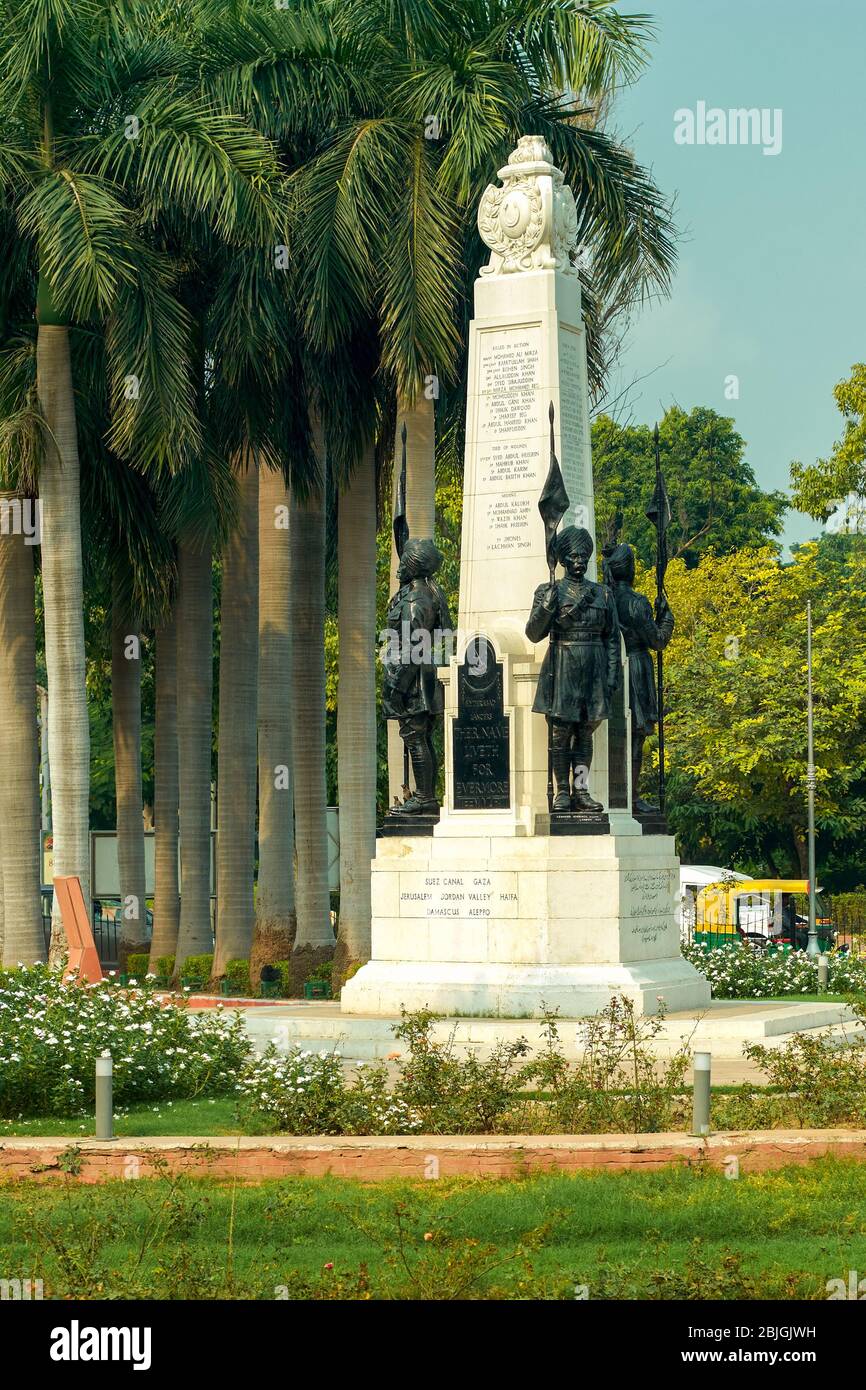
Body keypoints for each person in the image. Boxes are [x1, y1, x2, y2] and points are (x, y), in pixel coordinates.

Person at [525, 526, 621, 813]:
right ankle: (562, 793)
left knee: (585, 733)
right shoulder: (548, 591)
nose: (579, 562)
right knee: (559, 734)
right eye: (574, 557)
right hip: (562, 663)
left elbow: (612, 638)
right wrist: (546, 608)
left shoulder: (602, 594)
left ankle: (581, 790)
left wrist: (612, 673)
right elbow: (533, 633)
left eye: (583, 557)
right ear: (563, 560)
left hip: (593, 668)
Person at [602, 542, 674, 816]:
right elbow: (657, 640)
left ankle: (622, 793)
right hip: (636, 668)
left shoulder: (604, 598)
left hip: (611, 668)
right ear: (629, 570)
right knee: (635, 737)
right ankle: (631, 796)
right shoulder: (636, 602)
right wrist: (666, 617)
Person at [382, 537, 452, 814]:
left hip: (412, 678)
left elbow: (413, 646)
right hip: (419, 673)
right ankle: (425, 796)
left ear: (413, 565)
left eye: (403, 562)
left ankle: (424, 797)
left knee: (415, 736)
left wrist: (397, 688)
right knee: (419, 737)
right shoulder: (421, 593)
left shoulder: (417, 599)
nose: (399, 568)